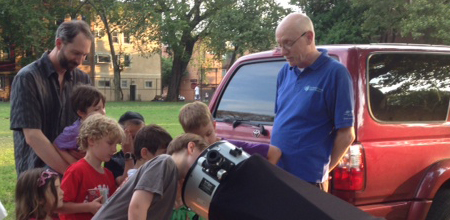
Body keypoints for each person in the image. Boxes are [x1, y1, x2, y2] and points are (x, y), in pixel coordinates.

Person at [271, 13, 355, 191]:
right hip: (277, 174)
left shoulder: (335, 74)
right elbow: (282, 120)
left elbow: (347, 134)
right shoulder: (284, 72)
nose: (283, 51)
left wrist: (321, 172)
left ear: (309, 37)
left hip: (308, 182)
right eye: (279, 45)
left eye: (288, 43)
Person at [10, 20, 94, 174]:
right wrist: (70, 173)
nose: (80, 61)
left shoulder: (83, 80)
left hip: (75, 172)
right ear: (59, 43)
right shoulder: (27, 78)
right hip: (37, 175)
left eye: (84, 55)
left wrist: (87, 147)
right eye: (76, 53)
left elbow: (92, 124)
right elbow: (33, 136)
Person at [92, 133, 208, 220]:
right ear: (191, 148)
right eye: (202, 160)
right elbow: (137, 207)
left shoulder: (173, 179)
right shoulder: (165, 162)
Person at [58, 114, 124, 220]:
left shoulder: (108, 174)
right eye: (110, 143)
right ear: (91, 140)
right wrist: (88, 207)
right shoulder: (76, 171)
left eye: (116, 144)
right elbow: (60, 206)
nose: (114, 149)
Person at [179, 101, 282, 164]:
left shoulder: (232, 147)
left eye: (208, 133)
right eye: (198, 138)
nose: (205, 141)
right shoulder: (189, 158)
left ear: (214, 126)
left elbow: (274, 153)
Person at [53, 84, 106, 164]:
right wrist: (74, 162)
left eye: (103, 107)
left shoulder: (100, 126)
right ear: (81, 113)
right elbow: (57, 144)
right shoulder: (76, 131)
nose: (103, 112)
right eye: (97, 109)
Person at [105, 111, 145, 185]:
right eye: (132, 137)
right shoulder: (113, 160)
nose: (137, 141)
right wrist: (128, 154)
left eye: (140, 136)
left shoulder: (150, 155)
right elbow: (126, 184)